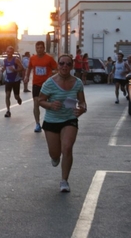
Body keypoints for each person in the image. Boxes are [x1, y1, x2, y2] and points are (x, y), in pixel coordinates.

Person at [38, 54, 87, 192]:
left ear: (72, 66)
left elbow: (82, 102)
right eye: (62, 63)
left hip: (69, 119)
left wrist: (82, 109)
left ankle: (64, 181)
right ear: (58, 65)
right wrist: (51, 105)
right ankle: (55, 157)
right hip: (52, 121)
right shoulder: (49, 82)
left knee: (67, 148)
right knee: (55, 154)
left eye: (68, 64)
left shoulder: (77, 83)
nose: (65, 66)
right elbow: (40, 100)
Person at [24, 41, 58, 133]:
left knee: (48, 103)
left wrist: (51, 74)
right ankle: (37, 124)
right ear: (35, 49)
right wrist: (26, 76)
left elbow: (56, 69)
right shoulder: (32, 58)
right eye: (37, 48)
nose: (39, 49)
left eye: (41, 48)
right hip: (36, 84)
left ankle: (52, 120)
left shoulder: (49, 59)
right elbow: (29, 68)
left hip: (47, 84)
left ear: (44, 48)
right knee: (36, 103)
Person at [2, 46, 23, 117]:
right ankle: (8, 111)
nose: (9, 53)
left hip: (16, 80)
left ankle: (18, 99)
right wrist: (2, 69)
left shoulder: (16, 60)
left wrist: (15, 70)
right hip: (8, 80)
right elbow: (4, 68)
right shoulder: (5, 60)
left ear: (13, 53)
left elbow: (22, 68)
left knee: (16, 96)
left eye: (10, 52)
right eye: (8, 52)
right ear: (6, 52)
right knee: (7, 95)